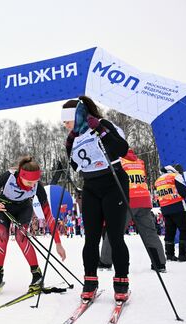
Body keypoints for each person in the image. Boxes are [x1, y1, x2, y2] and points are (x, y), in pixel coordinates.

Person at [62, 96, 130, 302]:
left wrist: (100, 130)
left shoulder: (102, 125)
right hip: (91, 186)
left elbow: (121, 149)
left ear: (79, 115)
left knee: (115, 236)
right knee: (90, 238)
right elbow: (75, 165)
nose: (65, 124)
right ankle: (90, 282)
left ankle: (121, 281)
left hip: (113, 183)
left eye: (68, 120)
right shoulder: (72, 139)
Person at [0, 156, 66, 291]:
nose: (32, 186)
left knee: (21, 237)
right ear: (21, 175)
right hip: (3, 207)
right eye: (29, 182)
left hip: (24, 209)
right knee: (2, 236)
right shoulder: (8, 177)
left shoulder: (37, 186)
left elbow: (48, 215)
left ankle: (36, 274)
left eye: (35, 182)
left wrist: (58, 243)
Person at [100, 149, 167, 272]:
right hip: (144, 200)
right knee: (150, 233)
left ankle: (105, 262)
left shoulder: (117, 161)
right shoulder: (139, 161)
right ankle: (159, 263)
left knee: (114, 231)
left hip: (127, 200)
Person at [154, 165, 186, 262]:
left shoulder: (158, 180)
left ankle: (169, 255)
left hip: (165, 208)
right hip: (178, 206)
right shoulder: (175, 176)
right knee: (185, 230)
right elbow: (185, 192)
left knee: (170, 231)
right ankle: (183, 254)